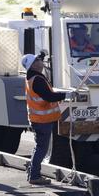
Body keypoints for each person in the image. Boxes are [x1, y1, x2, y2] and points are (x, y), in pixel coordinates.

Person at [21, 53, 74, 185]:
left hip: (38, 119)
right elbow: (49, 96)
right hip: (42, 120)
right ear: (33, 65)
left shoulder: (32, 77)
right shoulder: (37, 80)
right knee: (41, 149)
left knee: (39, 147)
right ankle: (34, 176)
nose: (41, 61)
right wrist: (67, 95)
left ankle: (32, 172)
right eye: (38, 60)